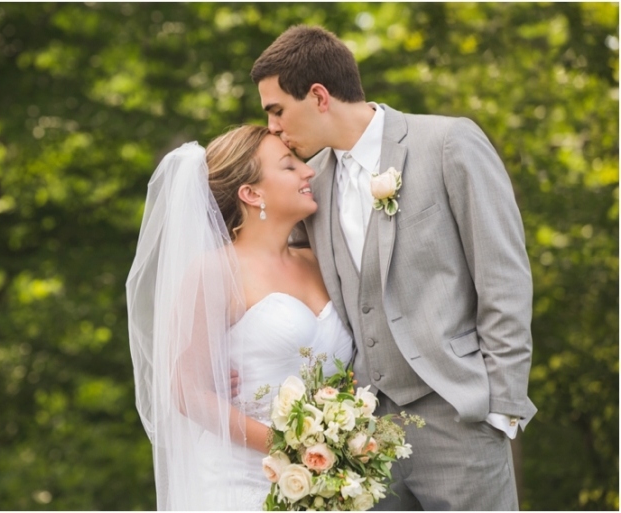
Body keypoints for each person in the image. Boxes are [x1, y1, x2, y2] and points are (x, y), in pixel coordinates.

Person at [248, 25, 537, 510]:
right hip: (365, 439)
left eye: (276, 110)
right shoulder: (311, 186)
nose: (273, 127)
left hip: (461, 419)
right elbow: (271, 263)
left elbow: (503, 278)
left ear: (318, 96)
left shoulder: (447, 143)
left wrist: (501, 408)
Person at [127, 126, 353, 510]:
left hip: (327, 478)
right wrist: (288, 448)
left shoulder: (320, 263)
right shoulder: (215, 272)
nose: (308, 171)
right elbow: (187, 389)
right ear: (251, 193)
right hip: (243, 479)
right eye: (289, 166)